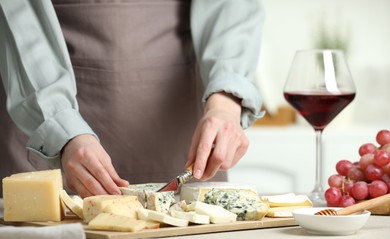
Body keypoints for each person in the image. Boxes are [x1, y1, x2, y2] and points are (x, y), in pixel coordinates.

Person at [0, 0, 265, 197]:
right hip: (36, 105)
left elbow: (233, 9)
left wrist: (224, 104)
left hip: (177, 119)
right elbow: (18, 14)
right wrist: (60, 128)